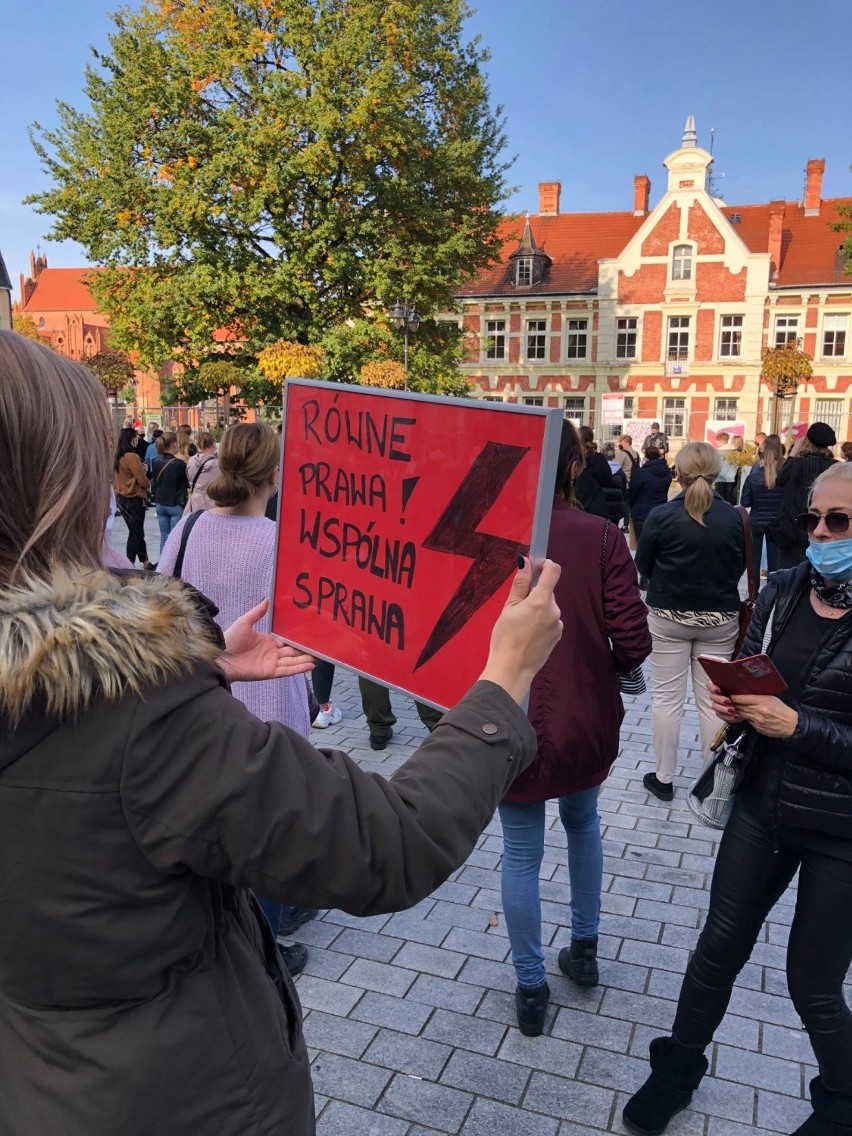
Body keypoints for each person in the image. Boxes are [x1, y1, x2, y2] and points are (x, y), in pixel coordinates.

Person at [0, 328, 563, 1136]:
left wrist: (201, 669)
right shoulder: (144, 724)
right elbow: (390, 847)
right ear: (52, 488)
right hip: (178, 1100)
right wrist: (504, 682)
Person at [623, 460, 852, 1136]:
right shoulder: (783, 589)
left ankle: (841, 1104)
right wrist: (733, 701)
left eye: (838, 520)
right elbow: (752, 670)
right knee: (717, 947)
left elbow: (801, 719)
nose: (819, 531)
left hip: (841, 827)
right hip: (763, 802)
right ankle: (676, 1072)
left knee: (811, 983)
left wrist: (798, 726)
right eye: (811, 518)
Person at [499, 422, 651, 1037]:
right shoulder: (601, 536)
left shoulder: (489, 541)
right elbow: (635, 640)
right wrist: (600, 669)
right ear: (573, 467)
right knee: (583, 823)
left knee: (519, 853)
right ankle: (584, 950)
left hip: (507, 715)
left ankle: (531, 987)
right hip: (584, 715)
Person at [160, 422, 314, 975]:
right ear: (276, 474)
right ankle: (266, 947)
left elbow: (160, 608)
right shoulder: (283, 542)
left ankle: (239, 931)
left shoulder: (189, 527)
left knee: (217, 828)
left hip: (203, 696)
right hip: (271, 695)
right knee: (269, 834)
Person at [636, 442, 746, 801]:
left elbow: (643, 567)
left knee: (666, 698)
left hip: (668, 615)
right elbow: (740, 565)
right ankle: (711, 783)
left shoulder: (661, 516)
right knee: (712, 700)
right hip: (720, 618)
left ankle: (664, 778)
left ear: (677, 474)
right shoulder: (736, 516)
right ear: (717, 473)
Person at [771, 423, 837, 569]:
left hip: (793, 530)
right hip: (824, 529)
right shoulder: (835, 467)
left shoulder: (798, 464)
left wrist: (792, 453)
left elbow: (780, 480)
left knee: (790, 577)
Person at [741, 433, 785, 589]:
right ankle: (771, 590)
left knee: (754, 559)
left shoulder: (752, 478)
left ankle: (753, 592)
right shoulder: (782, 478)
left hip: (756, 521)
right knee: (774, 561)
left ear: (761, 459)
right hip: (775, 522)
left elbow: (744, 502)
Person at [627, 445, 671, 587]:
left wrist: (631, 506)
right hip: (661, 511)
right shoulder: (667, 472)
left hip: (642, 512)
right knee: (658, 545)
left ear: (645, 456)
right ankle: (656, 575)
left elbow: (633, 492)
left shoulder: (641, 473)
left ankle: (644, 577)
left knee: (642, 546)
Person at [113, 425, 154, 570]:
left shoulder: (117, 455)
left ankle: (145, 561)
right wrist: (147, 480)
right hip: (134, 497)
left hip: (121, 497)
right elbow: (142, 481)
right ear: (132, 439)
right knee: (135, 532)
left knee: (136, 531)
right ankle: (128, 564)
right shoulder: (132, 457)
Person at [150, 431, 189, 551]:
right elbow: (186, 482)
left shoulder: (155, 461)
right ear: (174, 444)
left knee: (164, 537)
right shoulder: (178, 463)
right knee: (175, 538)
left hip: (160, 503)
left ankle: (163, 564)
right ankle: (173, 566)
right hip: (175, 503)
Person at [574, 425, 613, 518]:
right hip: (596, 507)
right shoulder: (599, 459)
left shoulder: (574, 459)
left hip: (577, 506)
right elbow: (608, 481)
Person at [184, 429, 219, 513]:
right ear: (213, 444)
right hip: (212, 500)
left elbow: (189, 478)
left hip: (195, 500)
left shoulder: (192, 461)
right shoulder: (217, 464)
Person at [713, 430, 738, 504]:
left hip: (720, 477)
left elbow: (716, 465)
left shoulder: (718, 451)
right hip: (730, 478)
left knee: (719, 498)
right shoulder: (734, 451)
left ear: (720, 440)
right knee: (728, 498)